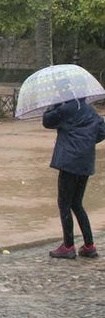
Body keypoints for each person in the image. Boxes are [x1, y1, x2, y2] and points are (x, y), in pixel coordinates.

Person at [43, 96, 105, 259]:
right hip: (85, 163)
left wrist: (54, 104)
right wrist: (85, 141)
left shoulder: (65, 109)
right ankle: (89, 245)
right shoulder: (91, 111)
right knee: (77, 203)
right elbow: (101, 132)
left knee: (64, 203)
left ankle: (68, 246)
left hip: (69, 162)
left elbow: (47, 121)